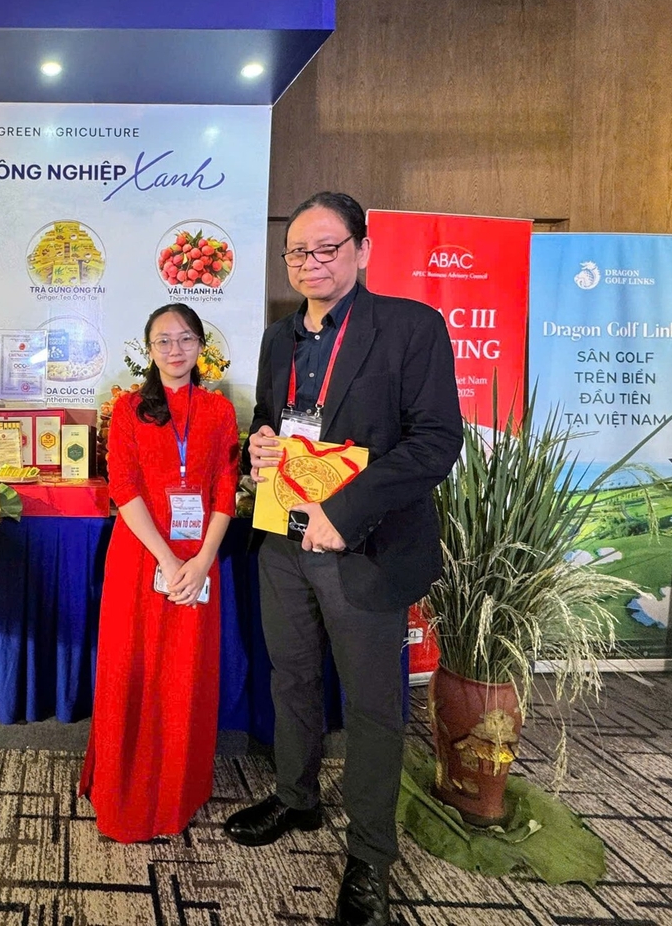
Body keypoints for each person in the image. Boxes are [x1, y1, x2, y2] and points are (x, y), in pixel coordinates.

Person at [224, 192, 463, 926]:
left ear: (362, 248)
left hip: (364, 546)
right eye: (298, 251)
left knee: (370, 704)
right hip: (282, 540)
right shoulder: (278, 339)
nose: (312, 262)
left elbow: (434, 442)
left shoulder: (411, 328)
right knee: (291, 675)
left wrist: (344, 512)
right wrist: (258, 446)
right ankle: (296, 798)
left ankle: (369, 853)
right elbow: (271, 423)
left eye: (327, 247)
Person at [79, 303, 240, 842]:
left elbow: (224, 490)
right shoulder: (127, 409)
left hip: (200, 557)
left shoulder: (218, 411)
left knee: (184, 673)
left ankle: (179, 788)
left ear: (201, 347)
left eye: (186, 339)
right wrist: (168, 561)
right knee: (133, 666)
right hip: (140, 555)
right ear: (149, 349)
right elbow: (122, 487)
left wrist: (201, 560)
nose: (176, 350)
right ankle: (124, 788)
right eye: (164, 340)